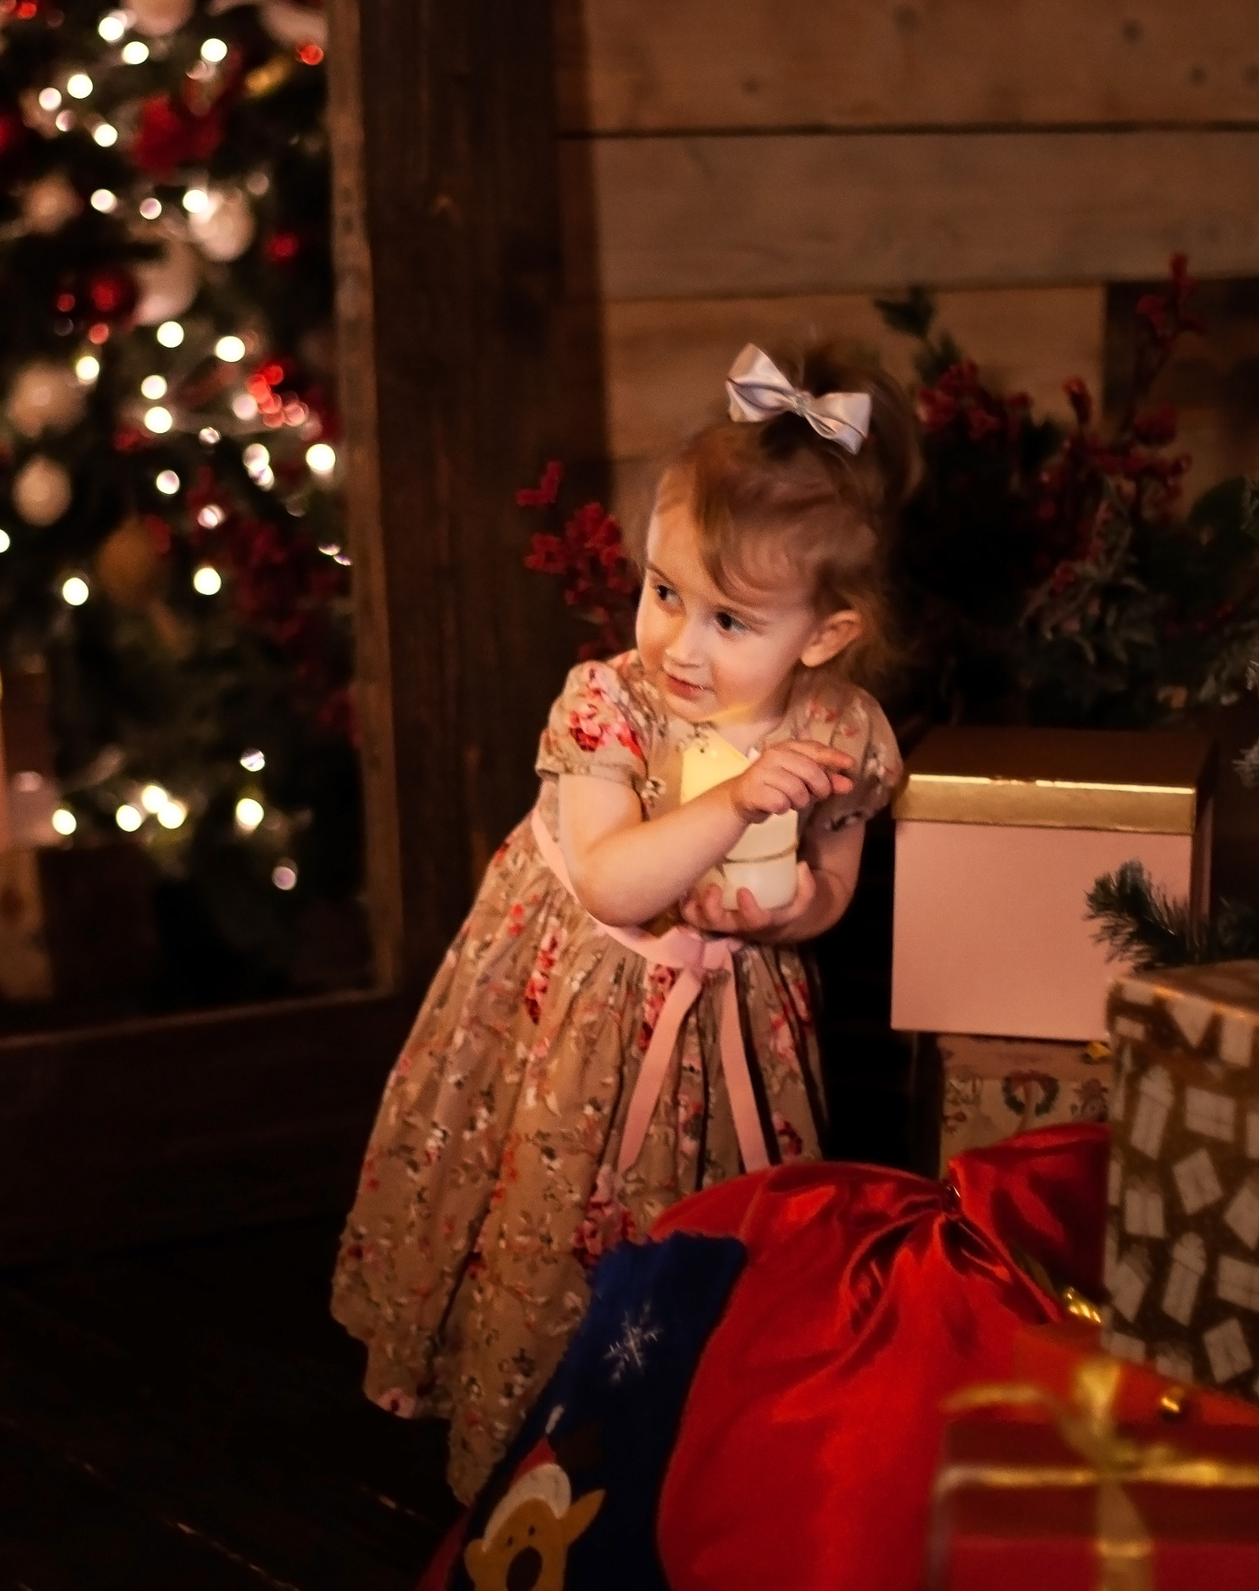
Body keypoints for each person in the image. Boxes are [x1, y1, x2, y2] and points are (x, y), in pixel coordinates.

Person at [333, 343, 919, 1497]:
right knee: (551, 1212)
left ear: (824, 635)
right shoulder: (608, 705)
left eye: (730, 620)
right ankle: (532, 1443)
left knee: (714, 1221)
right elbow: (610, 880)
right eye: (663, 593)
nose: (679, 645)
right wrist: (735, 804)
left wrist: (794, 906)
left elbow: (834, 882)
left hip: (730, 1024)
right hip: (579, 1013)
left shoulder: (840, 730)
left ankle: (688, 1433)